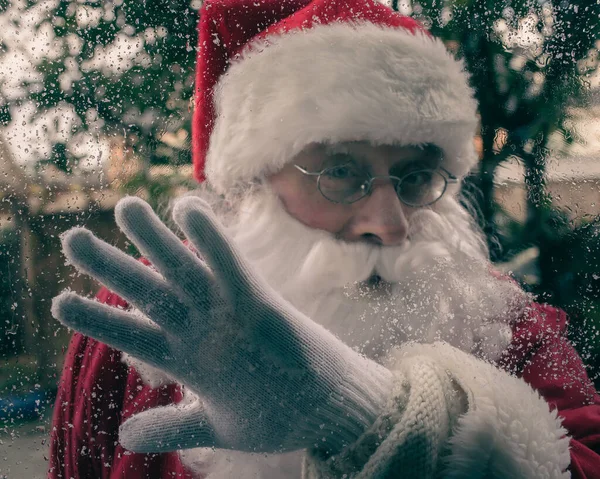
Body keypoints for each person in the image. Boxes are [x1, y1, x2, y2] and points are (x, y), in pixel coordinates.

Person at [47, 0, 600, 477]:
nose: (389, 225)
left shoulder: (506, 324)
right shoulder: (145, 314)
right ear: (253, 182)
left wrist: (377, 416)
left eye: (416, 177)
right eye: (339, 172)